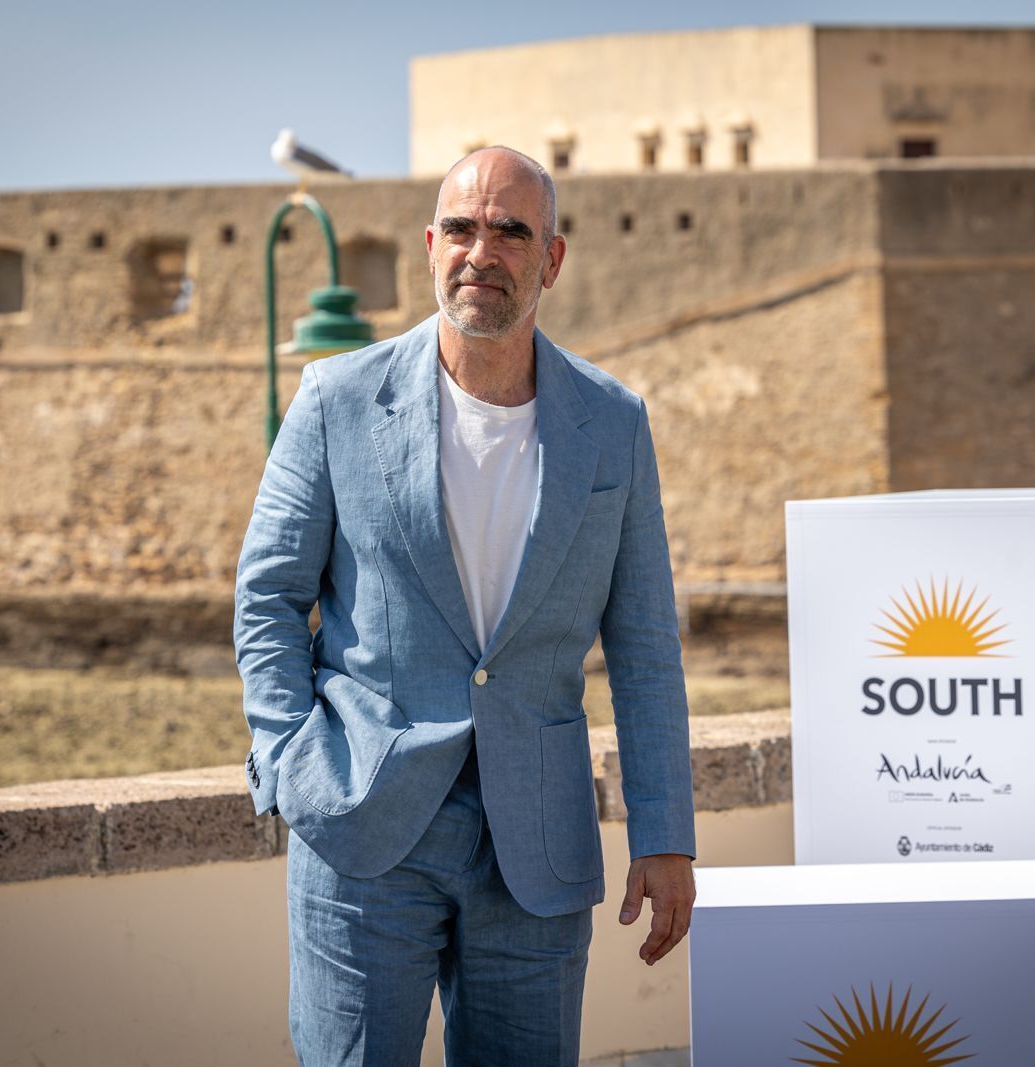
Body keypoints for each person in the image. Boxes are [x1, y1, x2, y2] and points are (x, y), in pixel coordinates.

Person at [234, 145, 696, 1066]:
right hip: (363, 828)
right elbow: (269, 596)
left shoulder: (612, 424)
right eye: (460, 228)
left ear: (551, 260)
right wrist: (289, 760)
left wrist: (664, 833)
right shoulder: (336, 399)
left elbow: (643, 644)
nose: (480, 251)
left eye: (510, 231)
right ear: (430, 246)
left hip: (536, 845)